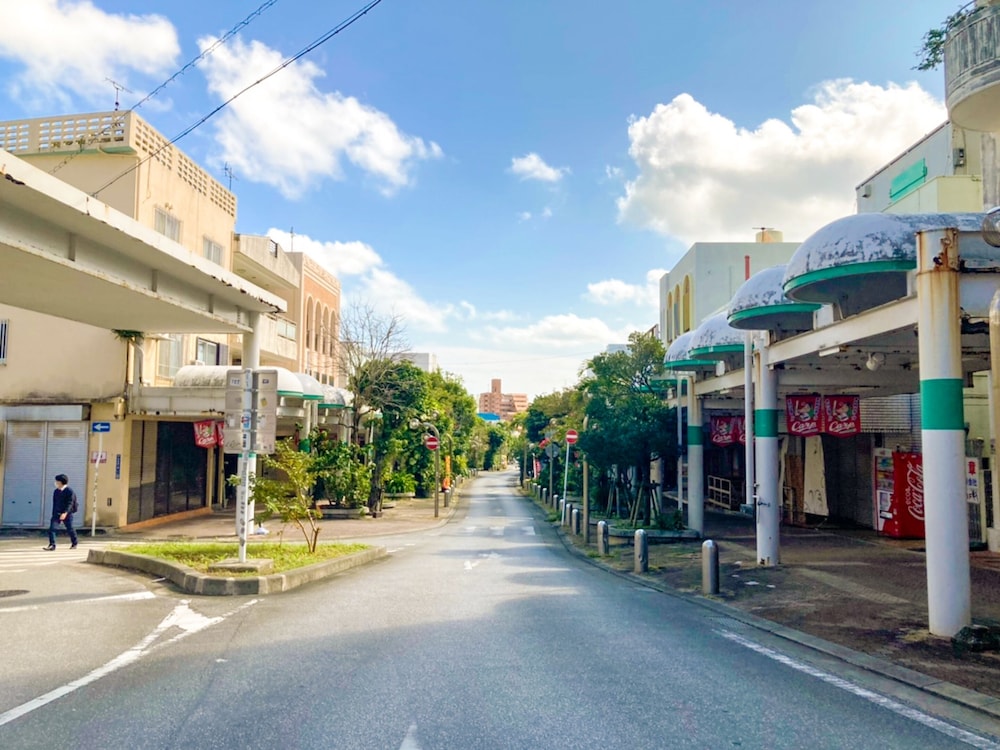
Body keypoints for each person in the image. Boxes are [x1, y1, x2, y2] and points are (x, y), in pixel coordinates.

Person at [43, 473, 78, 551]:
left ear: (61, 482)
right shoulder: (56, 491)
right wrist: (54, 513)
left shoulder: (69, 491)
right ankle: (52, 545)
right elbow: (55, 503)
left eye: (57, 481)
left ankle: (74, 543)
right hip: (56, 513)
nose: (55, 483)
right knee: (52, 529)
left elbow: (70, 503)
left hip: (67, 513)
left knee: (70, 528)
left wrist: (65, 513)